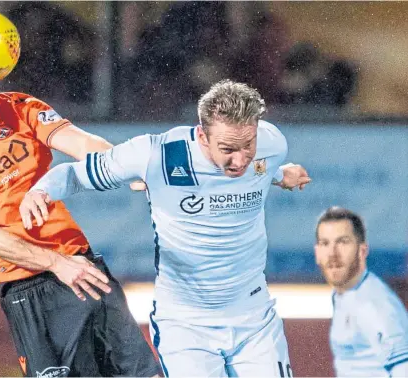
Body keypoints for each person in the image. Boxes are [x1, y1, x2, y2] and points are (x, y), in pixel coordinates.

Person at [20, 79, 312, 377]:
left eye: (248, 145)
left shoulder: (272, 144)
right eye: (227, 149)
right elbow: (74, 175)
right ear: (202, 134)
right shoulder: (156, 155)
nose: (239, 160)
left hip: (254, 318)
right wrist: (40, 192)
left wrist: (279, 174)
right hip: (185, 326)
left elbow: (259, 167)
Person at [0, 45, 160, 377]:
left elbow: (81, 143)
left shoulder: (17, 107)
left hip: (79, 262)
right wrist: (56, 264)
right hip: (26, 284)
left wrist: (127, 167)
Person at [314, 206, 408, 377]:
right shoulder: (343, 294)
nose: (332, 253)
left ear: (362, 251)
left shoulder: (374, 304)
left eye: (343, 242)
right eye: (325, 243)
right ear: (317, 253)